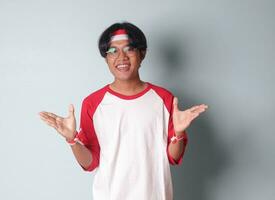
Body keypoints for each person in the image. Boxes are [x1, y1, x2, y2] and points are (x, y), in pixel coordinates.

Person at [39, 22, 208, 200]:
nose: (121, 57)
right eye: (113, 51)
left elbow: (173, 157)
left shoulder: (164, 99)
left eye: (129, 49)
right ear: (106, 58)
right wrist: (71, 139)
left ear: (142, 54)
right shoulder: (93, 103)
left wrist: (179, 132)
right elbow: (90, 163)